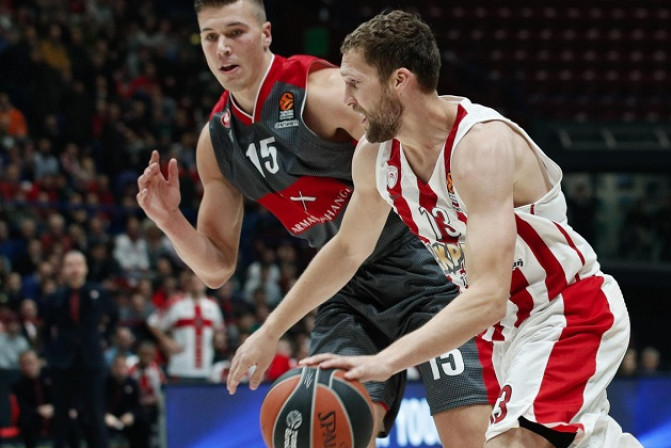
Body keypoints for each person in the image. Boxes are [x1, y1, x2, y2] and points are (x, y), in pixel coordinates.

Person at [251, 10, 643, 448]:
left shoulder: (480, 145)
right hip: (505, 335)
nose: (346, 99)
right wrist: (270, 331)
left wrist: (385, 362)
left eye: (355, 83)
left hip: (563, 310)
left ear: (399, 80)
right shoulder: (375, 157)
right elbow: (347, 251)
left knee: (513, 444)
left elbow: (488, 296)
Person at [136, 1, 493, 445]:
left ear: (266, 34)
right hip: (347, 290)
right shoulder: (217, 141)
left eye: (236, 33)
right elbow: (216, 268)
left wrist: (271, 331)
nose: (223, 48)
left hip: (428, 269)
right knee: (324, 429)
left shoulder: (321, 92)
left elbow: (416, 143)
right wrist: (171, 221)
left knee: (470, 438)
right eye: (211, 37)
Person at [42, 250, 118, 448]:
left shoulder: (98, 292)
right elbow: (45, 330)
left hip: (91, 361)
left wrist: (104, 339)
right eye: (70, 264)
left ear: (85, 268)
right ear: (64, 269)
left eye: (78, 264)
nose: (74, 268)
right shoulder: (55, 296)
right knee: (61, 415)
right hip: (62, 363)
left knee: (95, 413)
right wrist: (51, 354)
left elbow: (114, 317)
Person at [146, 272, 224, 382]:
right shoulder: (176, 303)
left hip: (206, 368)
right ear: (188, 283)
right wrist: (166, 341)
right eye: (194, 281)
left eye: (200, 281)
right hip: (180, 367)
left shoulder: (213, 306)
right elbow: (152, 323)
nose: (197, 284)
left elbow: (219, 329)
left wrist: (219, 338)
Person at [11, 350, 54, 448]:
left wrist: (52, 408)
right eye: (24, 364)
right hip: (33, 415)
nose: (28, 367)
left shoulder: (51, 378)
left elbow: (59, 398)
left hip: (53, 412)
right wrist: (38, 410)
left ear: (39, 362)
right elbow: (22, 406)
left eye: (30, 363)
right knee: (26, 422)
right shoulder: (18, 385)